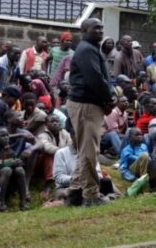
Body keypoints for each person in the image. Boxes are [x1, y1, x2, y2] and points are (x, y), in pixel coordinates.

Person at [67, 18, 115, 207]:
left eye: (102, 28)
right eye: (96, 28)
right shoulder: (86, 49)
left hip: (87, 103)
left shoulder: (90, 48)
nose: (101, 31)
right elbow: (94, 79)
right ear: (84, 30)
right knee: (89, 152)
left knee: (85, 151)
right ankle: (91, 195)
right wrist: (108, 98)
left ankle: (75, 193)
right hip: (86, 104)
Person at [35, 115, 72, 199]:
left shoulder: (64, 132)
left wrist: (63, 152)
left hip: (61, 161)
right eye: (52, 122)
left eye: (57, 121)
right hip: (42, 165)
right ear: (46, 124)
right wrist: (63, 152)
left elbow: (71, 144)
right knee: (49, 155)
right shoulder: (42, 135)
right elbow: (47, 148)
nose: (55, 123)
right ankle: (48, 184)